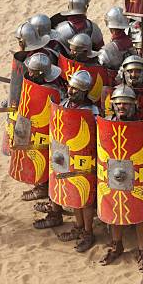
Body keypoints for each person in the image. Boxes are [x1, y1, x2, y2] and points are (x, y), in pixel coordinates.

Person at [97, 85, 143, 272]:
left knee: (140, 214)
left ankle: (142, 251)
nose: (122, 107)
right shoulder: (105, 124)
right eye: (119, 103)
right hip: (113, 172)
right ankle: (116, 245)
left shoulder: (142, 125)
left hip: (137, 174)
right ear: (113, 105)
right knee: (114, 210)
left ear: (134, 105)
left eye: (126, 103)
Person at [46, 70, 99, 252]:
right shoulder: (64, 104)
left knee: (85, 198)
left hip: (85, 159)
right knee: (74, 194)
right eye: (71, 87)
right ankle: (78, 226)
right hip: (67, 157)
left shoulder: (91, 111)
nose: (71, 91)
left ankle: (88, 231)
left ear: (84, 91)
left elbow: (97, 136)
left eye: (76, 89)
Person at [18, 53, 66, 204]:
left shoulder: (51, 90)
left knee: (48, 160)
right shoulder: (43, 85)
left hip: (53, 130)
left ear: (41, 74)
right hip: (41, 129)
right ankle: (40, 186)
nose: (29, 73)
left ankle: (46, 193)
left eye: (32, 71)